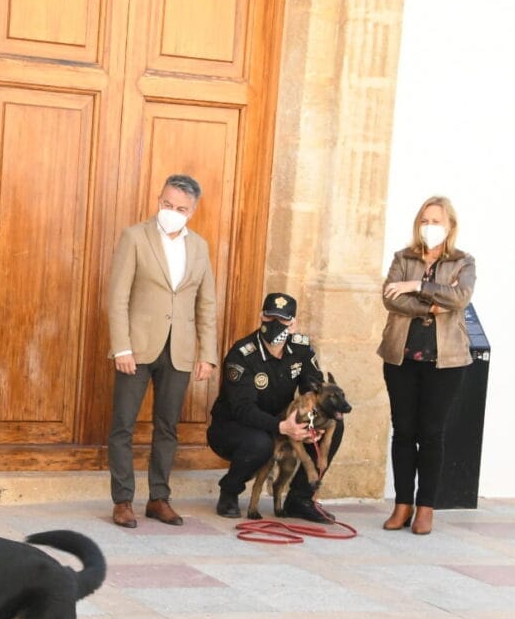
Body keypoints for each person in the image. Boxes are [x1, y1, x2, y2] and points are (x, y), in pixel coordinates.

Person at [106, 174, 218, 528]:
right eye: (167, 204)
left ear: (192, 211)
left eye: (180, 208)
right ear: (159, 199)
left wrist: (207, 353)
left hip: (179, 350)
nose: (171, 211)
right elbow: (118, 297)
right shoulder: (135, 237)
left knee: (167, 427)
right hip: (137, 348)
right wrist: (121, 347)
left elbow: (206, 303)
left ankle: (159, 498)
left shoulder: (199, 246)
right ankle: (123, 500)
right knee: (123, 425)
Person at [378, 195, 476, 535]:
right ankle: (402, 504)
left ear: (450, 226)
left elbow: (461, 297)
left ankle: (425, 508)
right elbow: (390, 297)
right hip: (401, 356)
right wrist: (432, 306)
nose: (429, 227)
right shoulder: (402, 258)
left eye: (436, 221)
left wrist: (417, 285)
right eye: (425, 220)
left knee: (432, 433)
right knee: (404, 431)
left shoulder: (463, 262)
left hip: (445, 362)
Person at [207, 294, 343, 521]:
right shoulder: (242, 354)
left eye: (282, 320)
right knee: (261, 443)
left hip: (281, 422)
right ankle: (230, 491)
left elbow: (313, 388)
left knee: (333, 423)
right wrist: (282, 427)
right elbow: (243, 409)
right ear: (261, 317)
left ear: (293, 324)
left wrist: (312, 425)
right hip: (234, 427)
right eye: (270, 318)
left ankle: (300, 499)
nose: (275, 325)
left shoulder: (301, 348)